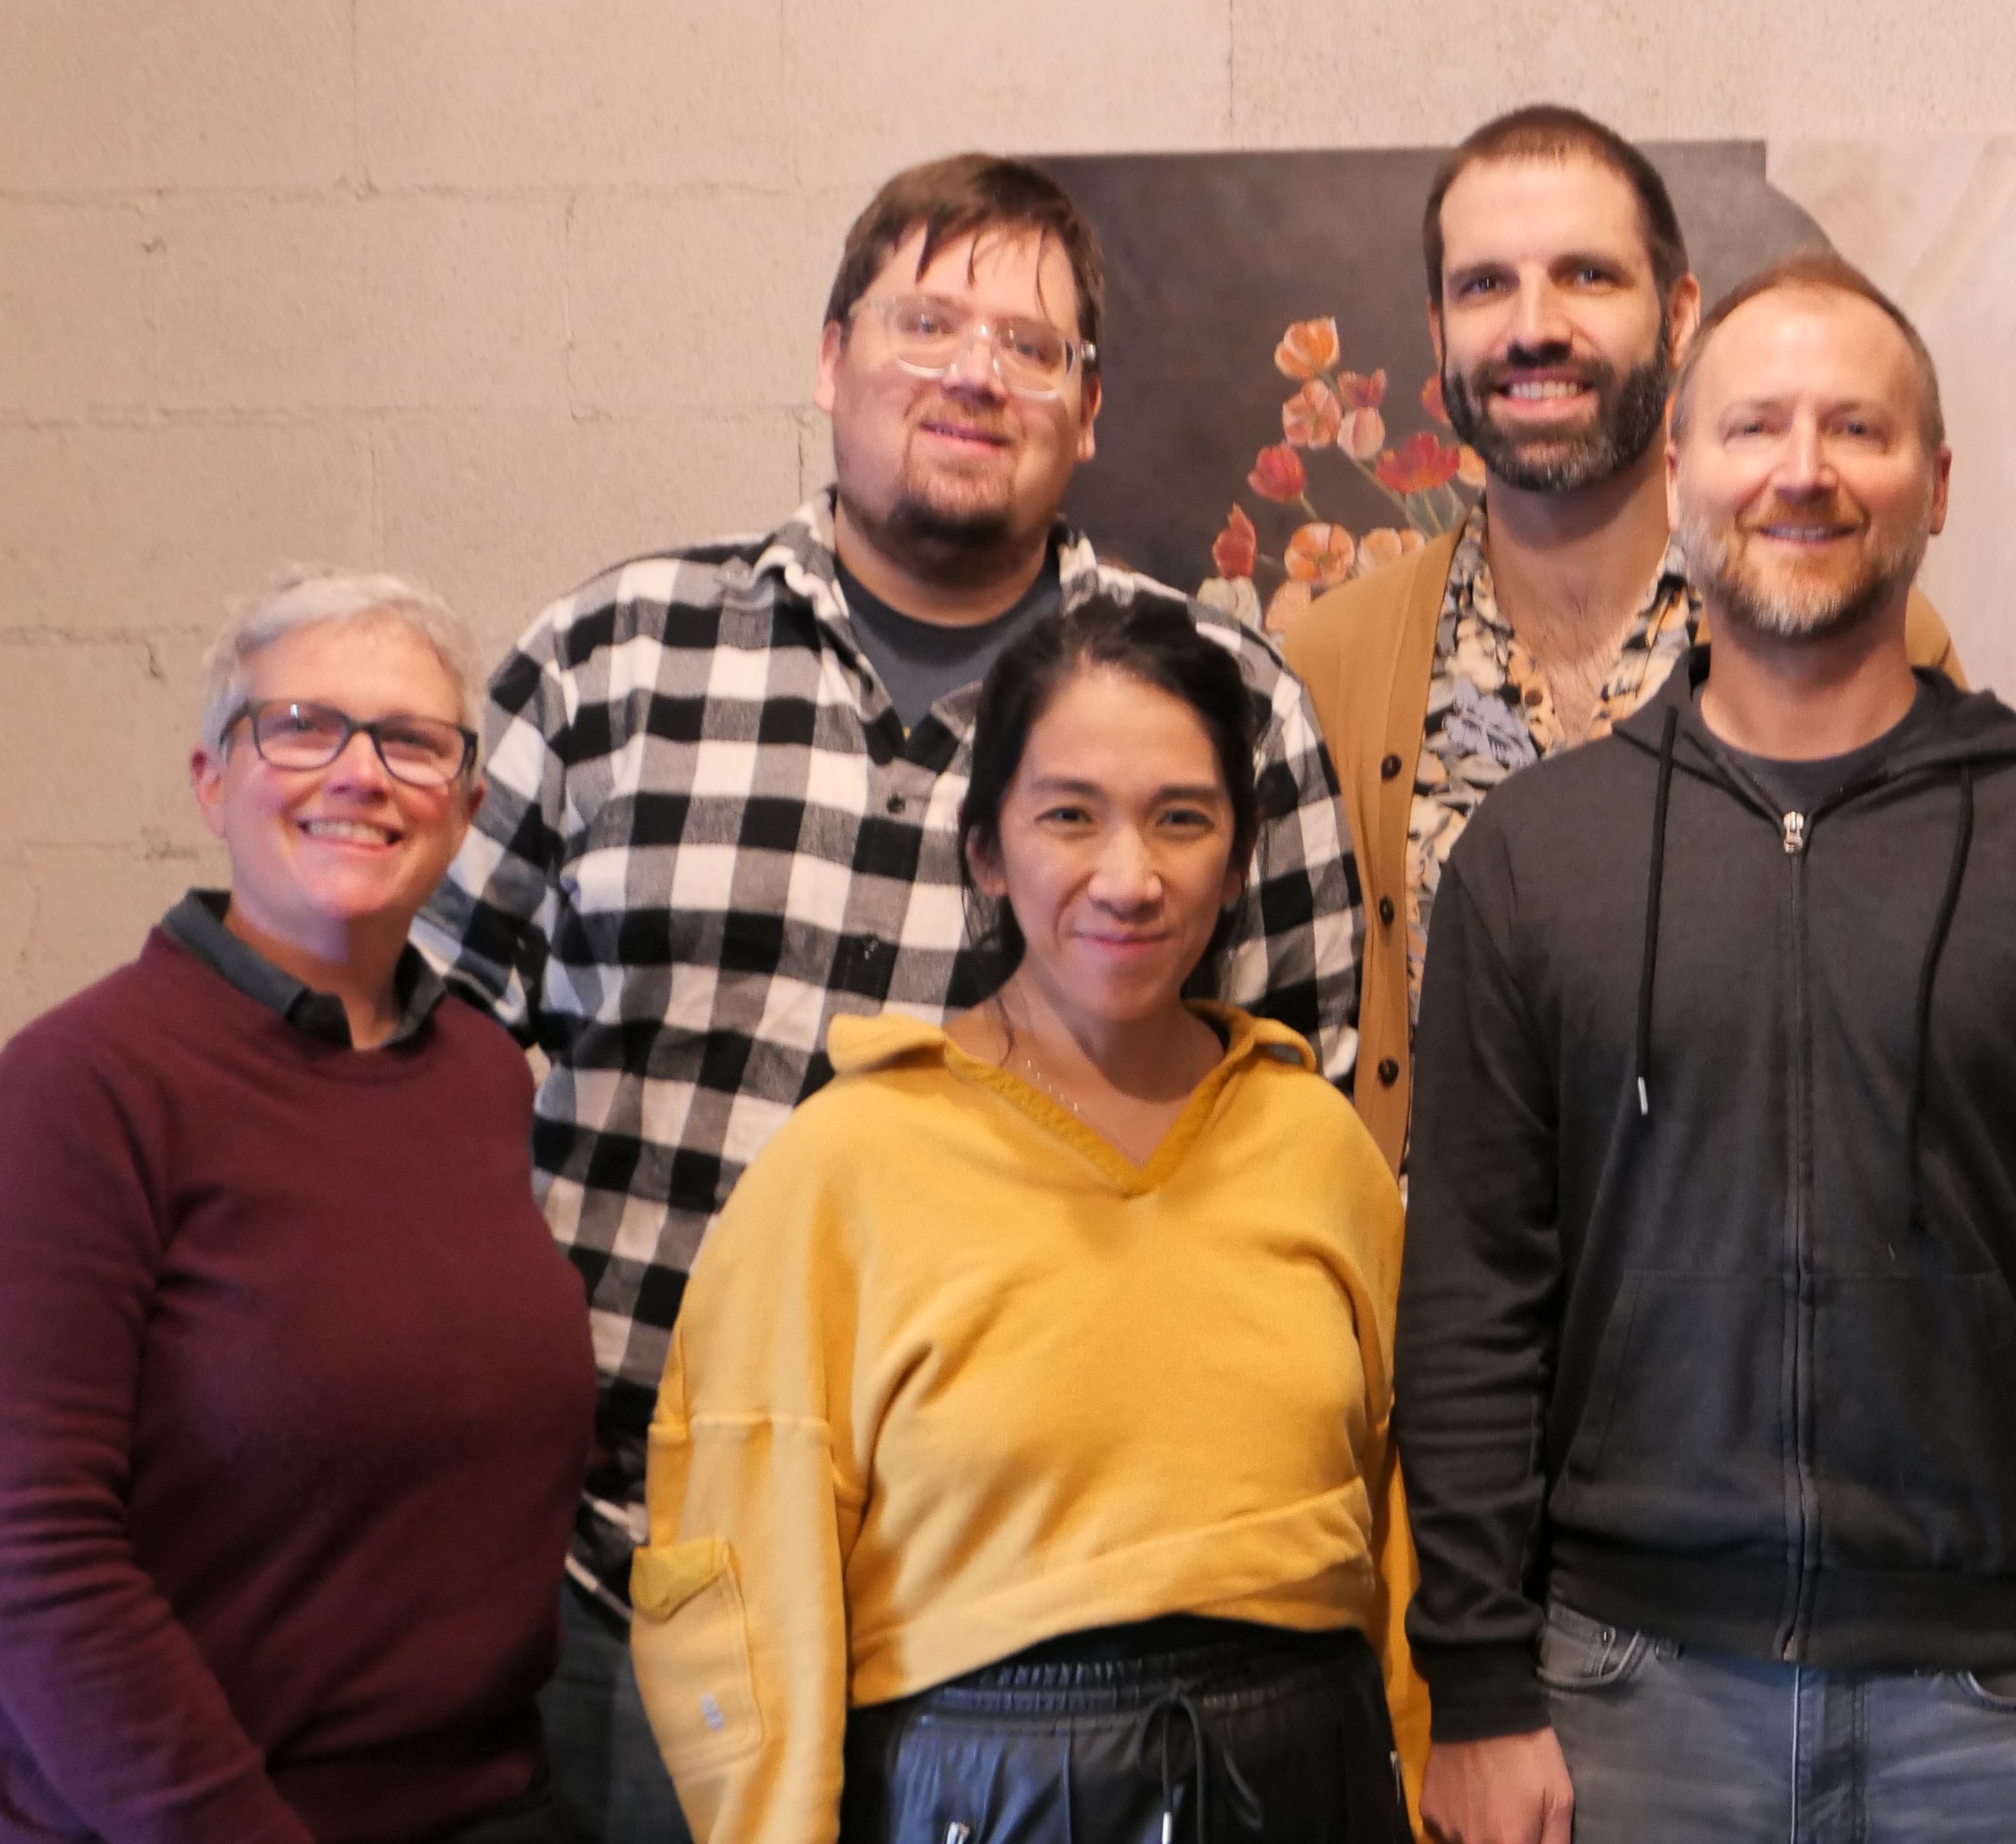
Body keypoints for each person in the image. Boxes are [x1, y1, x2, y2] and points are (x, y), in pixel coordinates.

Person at [414, 153, 1365, 1842]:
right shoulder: (610, 667)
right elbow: (420, 1090)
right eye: (927, 323)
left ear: (1089, 409)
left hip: (984, 1637)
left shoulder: (1218, 711)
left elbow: (1289, 1115)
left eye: (1030, 345)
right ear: (832, 357)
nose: (973, 373)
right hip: (580, 1574)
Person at [1399, 250, 2016, 1844]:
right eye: (1752, 430)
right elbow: (1470, 1305)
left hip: (2009, 1711)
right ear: (1677, 473)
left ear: (1932, 483)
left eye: (1855, 432)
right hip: (1625, 1701)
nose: (1800, 471)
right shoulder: (1538, 860)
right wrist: (1472, 1682)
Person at [627, 596, 1414, 1844]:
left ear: (1241, 850)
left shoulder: (1315, 1147)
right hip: (981, 1798)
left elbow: (1401, 1529)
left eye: (1182, 819)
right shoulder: (843, 1168)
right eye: (1068, 815)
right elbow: (740, 1587)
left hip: (1313, 1781)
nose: (1130, 877)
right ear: (987, 851)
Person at [0, 571, 594, 1844]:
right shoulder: (80, 1087)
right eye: (302, 727)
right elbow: (32, 1558)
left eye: (411, 742)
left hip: (495, 1806)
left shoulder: (483, 1077)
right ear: (214, 779)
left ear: (469, 805)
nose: (359, 774)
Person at [1282, 103, 1960, 1170]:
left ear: (1679, 314)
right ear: (1436, 332)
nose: (1534, 326)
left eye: (1587, 276)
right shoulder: (1331, 666)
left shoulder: (1873, 636)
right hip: (1437, 1316)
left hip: (1748, 1314)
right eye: (1484, 286)